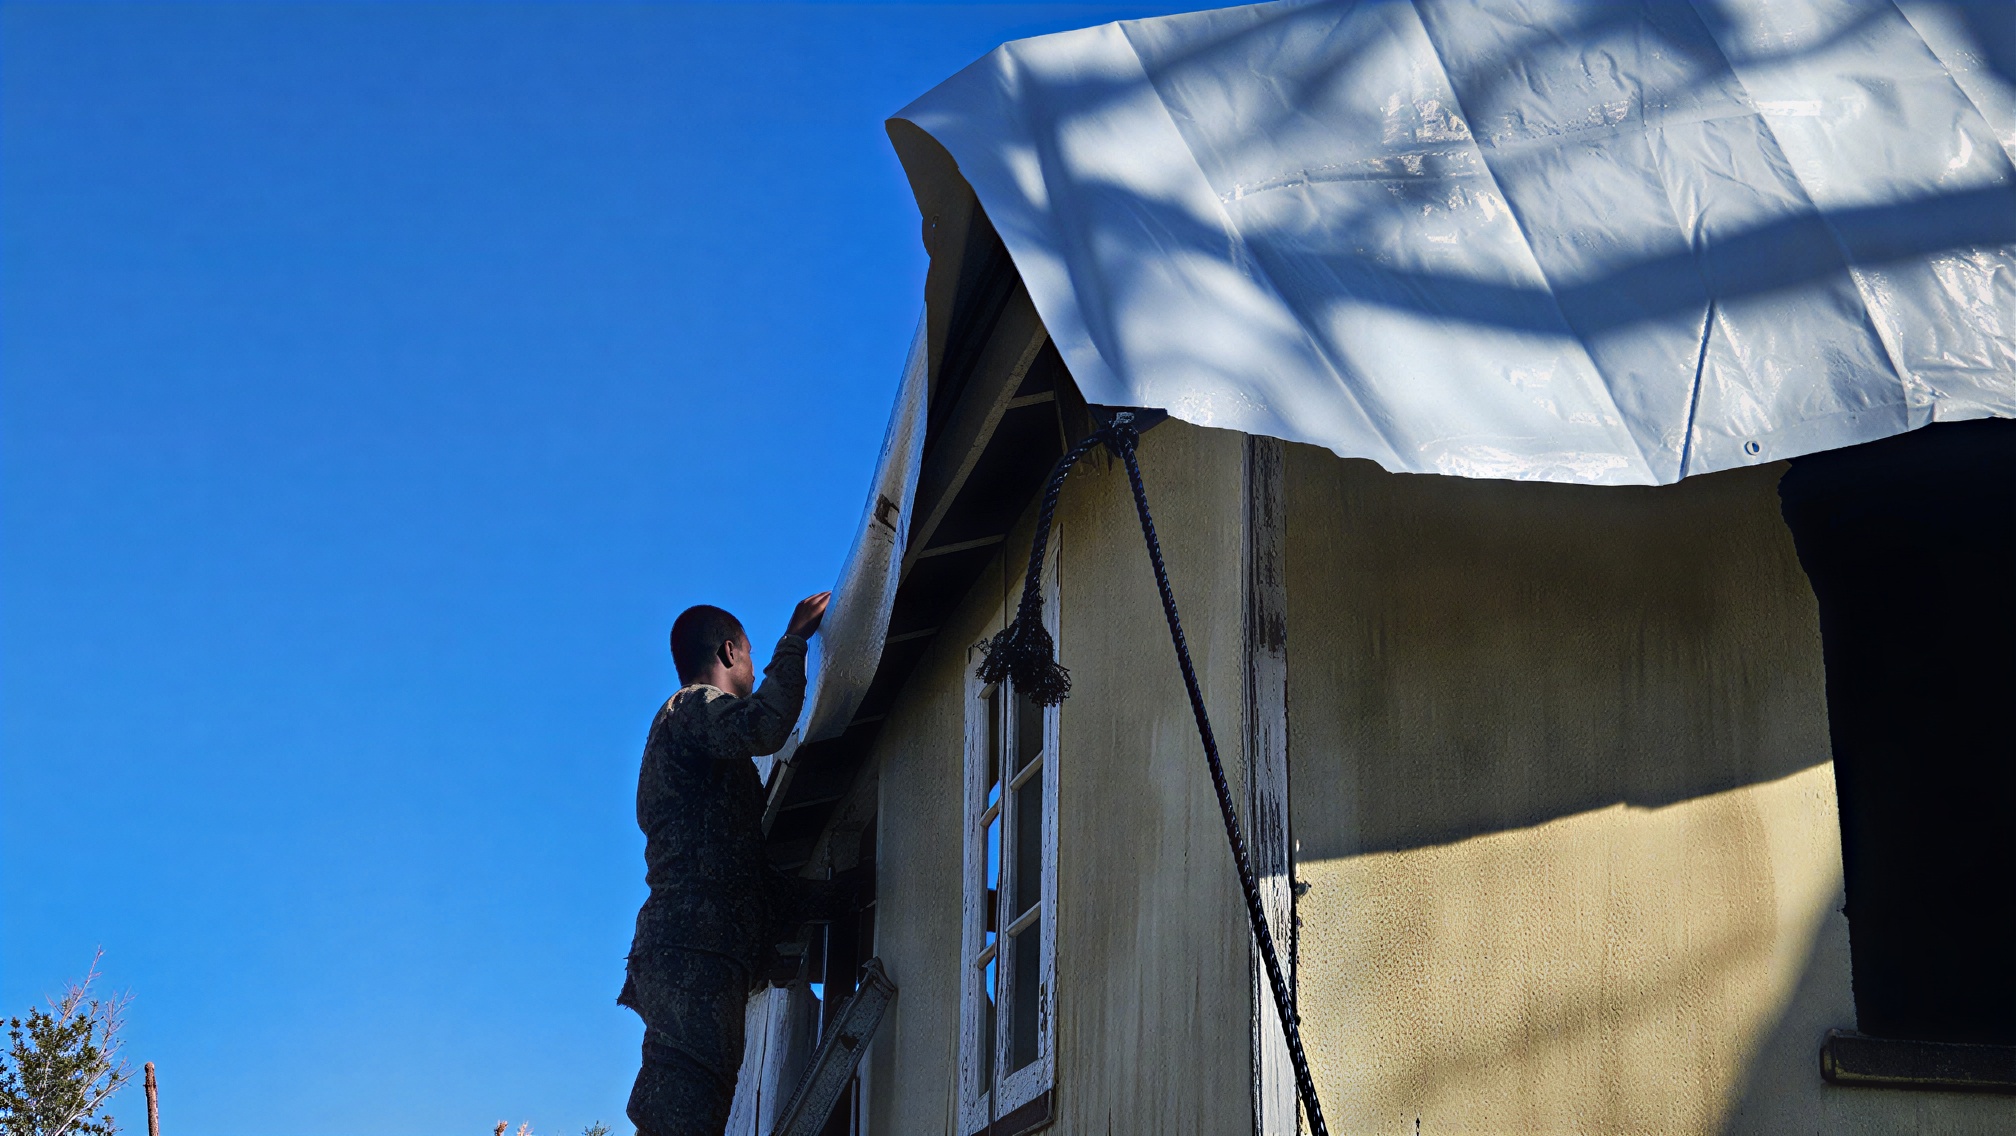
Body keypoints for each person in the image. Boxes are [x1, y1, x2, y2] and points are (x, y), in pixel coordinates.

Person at [620, 591, 833, 1136]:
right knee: (681, 1117)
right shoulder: (688, 708)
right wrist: (795, 640)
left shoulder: (701, 746)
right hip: (691, 949)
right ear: (731, 652)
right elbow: (765, 726)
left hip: (698, 949)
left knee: (696, 1112)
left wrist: (843, 895)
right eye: (756, 656)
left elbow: (743, 877)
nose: (758, 667)